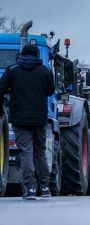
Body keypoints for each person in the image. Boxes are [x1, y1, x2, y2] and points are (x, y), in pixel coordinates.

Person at [0, 44, 55, 200]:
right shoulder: (45, 71)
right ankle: (45, 188)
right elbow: (50, 91)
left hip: (20, 118)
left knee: (26, 154)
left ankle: (30, 189)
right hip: (39, 118)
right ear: (37, 55)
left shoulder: (12, 70)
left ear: (21, 55)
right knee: (40, 153)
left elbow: (1, 89)